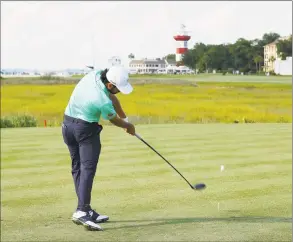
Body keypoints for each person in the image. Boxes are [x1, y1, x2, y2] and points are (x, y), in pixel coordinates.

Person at [61, 66, 136, 231]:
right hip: (85, 130)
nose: (118, 92)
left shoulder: (94, 75)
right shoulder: (101, 100)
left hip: (67, 125)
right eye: (117, 89)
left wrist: (124, 117)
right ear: (110, 85)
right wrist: (127, 125)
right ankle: (81, 210)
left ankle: (85, 208)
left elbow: (113, 99)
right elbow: (114, 119)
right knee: (87, 169)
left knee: (78, 167)